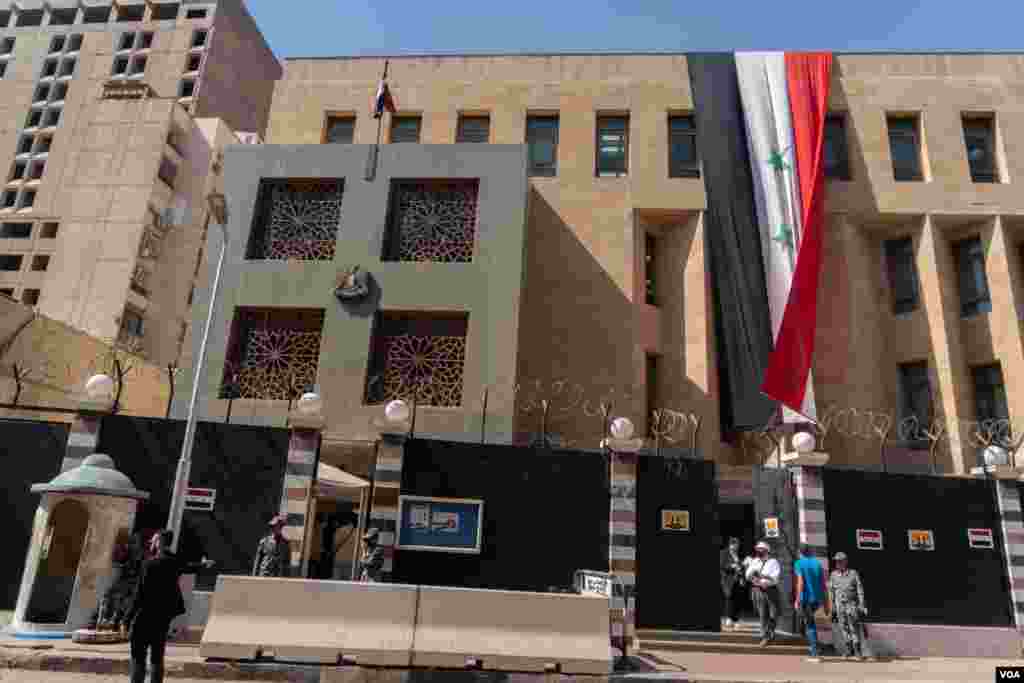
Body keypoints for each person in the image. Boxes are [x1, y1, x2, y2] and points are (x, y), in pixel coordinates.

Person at [126, 530, 213, 683]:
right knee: (157, 652)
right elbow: (190, 566)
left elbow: (140, 593)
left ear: (159, 542)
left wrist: (127, 618)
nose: (151, 543)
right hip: (164, 615)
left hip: (146, 614)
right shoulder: (175, 561)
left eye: (153, 540)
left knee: (138, 651)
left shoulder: (149, 564)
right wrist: (203, 564)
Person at [829, 552, 868, 660]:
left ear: (845, 562)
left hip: (851, 605)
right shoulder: (833, 575)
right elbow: (831, 591)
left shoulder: (853, 574)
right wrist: (832, 606)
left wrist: (861, 604)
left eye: (840, 561)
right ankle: (848, 650)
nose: (838, 563)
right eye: (836, 561)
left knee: (853, 628)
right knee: (843, 628)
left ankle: (858, 652)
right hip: (839, 605)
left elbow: (860, 590)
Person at [794, 544, 830, 662]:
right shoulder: (817, 563)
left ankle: (815, 654)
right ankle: (813, 648)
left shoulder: (799, 563)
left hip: (806, 599)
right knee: (808, 622)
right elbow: (823, 585)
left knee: (810, 625)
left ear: (800, 552)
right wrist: (826, 604)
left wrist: (797, 599)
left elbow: (800, 582)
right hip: (817, 600)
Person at [745, 540, 781, 647]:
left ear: (766, 551)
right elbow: (747, 575)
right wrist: (752, 574)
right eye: (757, 549)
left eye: (761, 549)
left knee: (773, 614)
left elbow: (775, 578)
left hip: (770, 591)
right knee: (762, 615)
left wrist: (762, 576)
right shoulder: (755, 561)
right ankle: (765, 636)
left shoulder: (773, 562)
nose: (758, 551)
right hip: (758, 590)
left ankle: (770, 632)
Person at [719, 537, 744, 630]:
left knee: (737, 600)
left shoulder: (739, 554)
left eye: (738, 545)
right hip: (727, 580)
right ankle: (729, 618)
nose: (737, 547)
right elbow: (722, 565)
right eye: (735, 545)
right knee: (729, 598)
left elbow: (741, 566)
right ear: (730, 545)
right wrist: (732, 566)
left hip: (737, 580)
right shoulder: (723, 553)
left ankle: (736, 620)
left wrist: (742, 577)